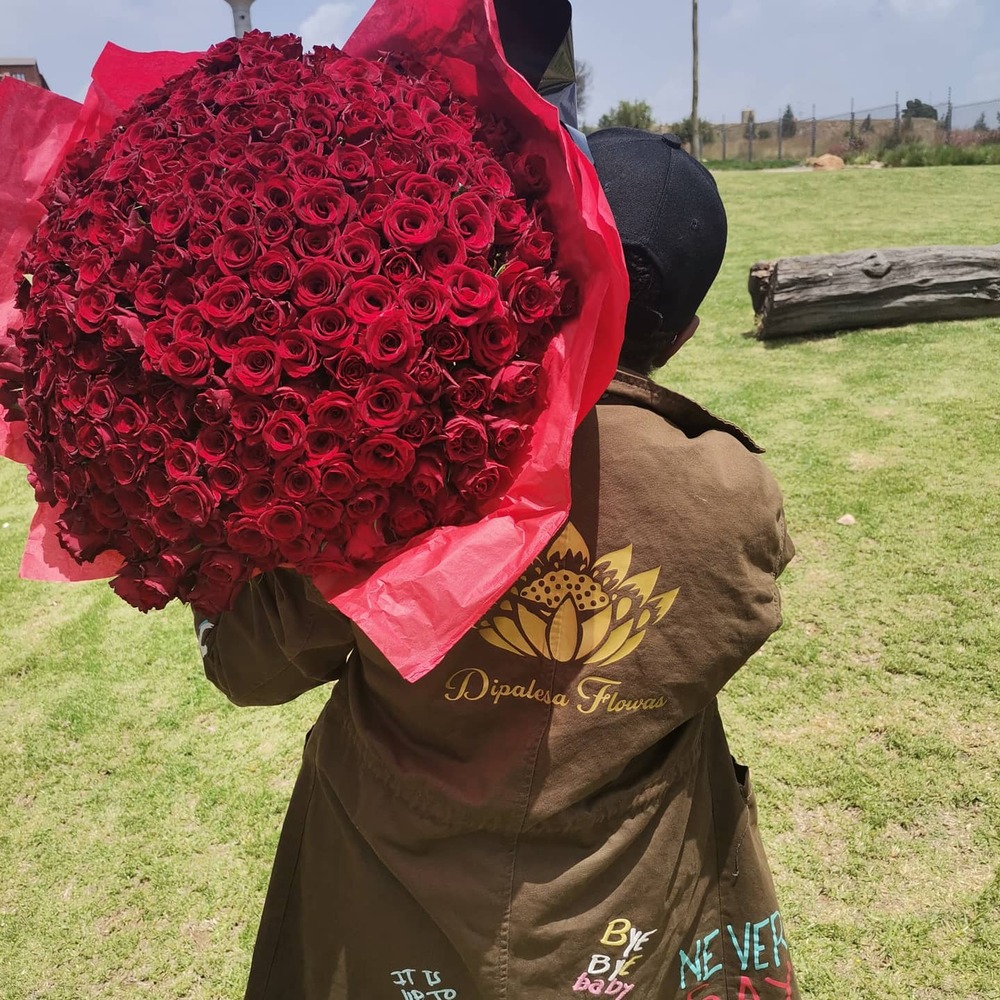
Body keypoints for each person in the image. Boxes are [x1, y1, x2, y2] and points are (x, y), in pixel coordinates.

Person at [197, 127, 798, 1000]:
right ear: (682, 337)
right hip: (623, 922)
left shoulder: (401, 450)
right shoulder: (736, 495)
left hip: (378, 901)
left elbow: (252, 667)